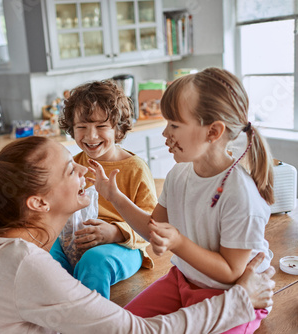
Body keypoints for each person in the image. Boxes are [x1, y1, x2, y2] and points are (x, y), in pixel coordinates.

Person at [0, 135, 275, 334]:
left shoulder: (1, 243)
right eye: (71, 169)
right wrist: (239, 300)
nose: (84, 169)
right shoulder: (25, 265)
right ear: (38, 202)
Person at [87, 67, 275, 334]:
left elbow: (232, 271)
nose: (165, 133)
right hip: (182, 280)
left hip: (235, 295)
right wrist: (114, 197)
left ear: (213, 132)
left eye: (174, 125)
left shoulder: (240, 194)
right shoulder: (179, 174)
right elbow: (155, 227)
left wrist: (179, 242)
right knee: (123, 327)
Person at [49, 80, 156, 299]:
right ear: (71, 128)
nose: (91, 136)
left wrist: (115, 232)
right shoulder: (72, 164)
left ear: (118, 128)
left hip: (123, 247)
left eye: (100, 126)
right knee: (42, 253)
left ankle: (94, 322)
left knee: (94, 261)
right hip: (75, 242)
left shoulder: (135, 168)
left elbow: (153, 227)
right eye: (82, 127)